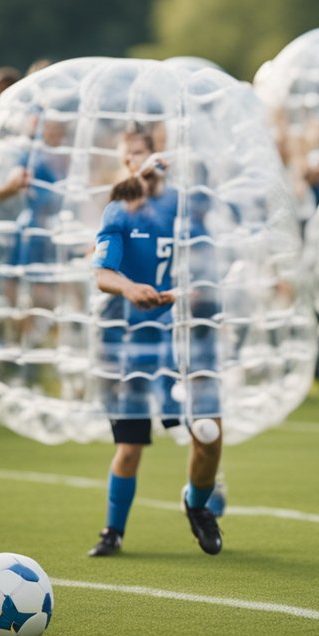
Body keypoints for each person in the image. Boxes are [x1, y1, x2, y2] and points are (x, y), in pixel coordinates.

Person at [87, 133, 224, 558]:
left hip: (183, 338)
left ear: (159, 159)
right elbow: (102, 272)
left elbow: (209, 263)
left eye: (140, 153)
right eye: (126, 155)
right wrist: (129, 289)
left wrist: (203, 292)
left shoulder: (186, 207)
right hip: (131, 342)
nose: (134, 161)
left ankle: (197, 504)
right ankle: (113, 532)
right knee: (130, 445)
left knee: (209, 431)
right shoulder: (121, 210)